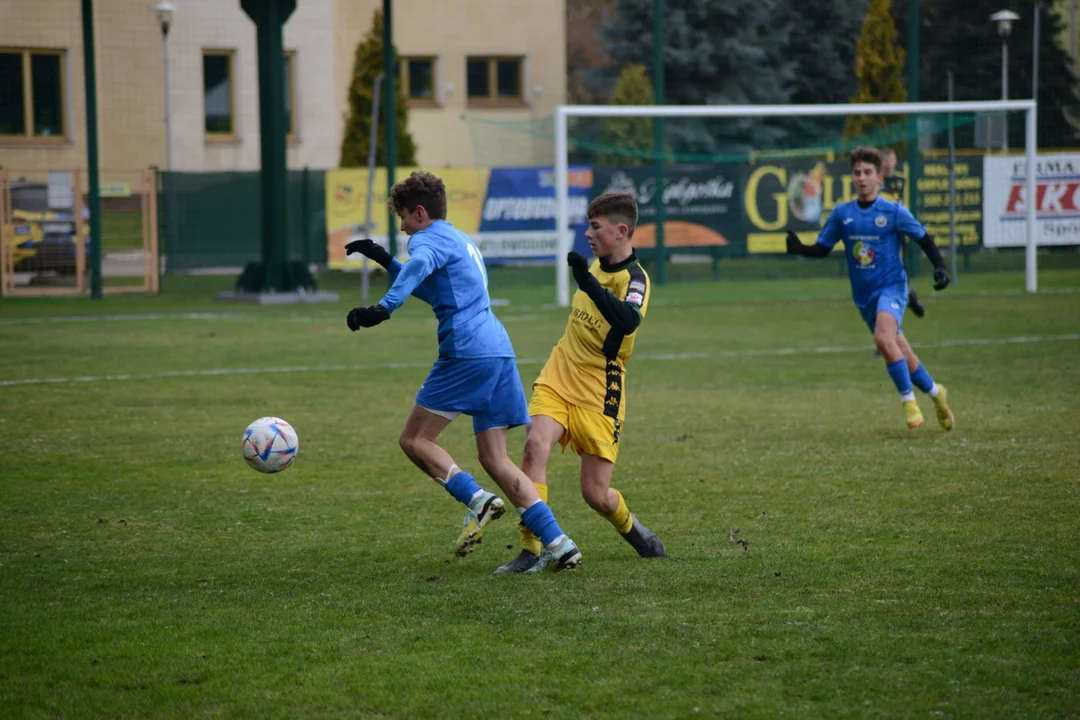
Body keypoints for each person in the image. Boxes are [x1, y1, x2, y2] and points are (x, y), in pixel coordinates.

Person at [345, 171, 581, 573]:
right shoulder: (460, 239)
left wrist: (382, 308)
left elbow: (419, 264)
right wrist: (386, 259)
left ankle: (476, 500)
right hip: (499, 352)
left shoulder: (425, 241)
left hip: (467, 352)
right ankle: (559, 543)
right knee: (495, 457)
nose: (402, 227)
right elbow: (431, 286)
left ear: (420, 213)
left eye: (402, 218)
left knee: (414, 439)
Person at [494, 191, 666, 575]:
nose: (587, 234)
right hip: (559, 373)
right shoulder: (595, 264)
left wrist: (588, 282)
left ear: (622, 231)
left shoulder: (635, 279)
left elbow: (627, 320)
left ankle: (636, 532)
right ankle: (531, 547)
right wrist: (588, 277)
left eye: (595, 226)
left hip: (600, 387)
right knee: (534, 448)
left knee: (596, 494)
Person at [785, 147, 955, 431]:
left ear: (879, 177)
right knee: (899, 349)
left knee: (883, 339)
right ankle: (937, 394)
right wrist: (798, 248)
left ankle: (909, 403)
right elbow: (823, 249)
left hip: (892, 287)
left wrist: (940, 267)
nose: (861, 178)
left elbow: (923, 238)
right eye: (857, 173)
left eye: (867, 173)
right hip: (864, 296)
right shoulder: (842, 214)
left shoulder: (893, 212)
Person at [879, 148, 926, 319]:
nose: (889, 163)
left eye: (892, 159)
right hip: (879, 236)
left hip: (895, 236)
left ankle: (887, 338)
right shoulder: (877, 181)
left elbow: (907, 206)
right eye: (886, 160)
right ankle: (908, 294)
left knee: (890, 285)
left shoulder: (902, 181)